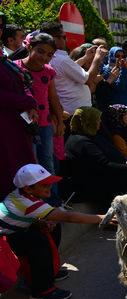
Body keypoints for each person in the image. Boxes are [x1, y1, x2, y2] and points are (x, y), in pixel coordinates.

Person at [2, 164, 114, 299]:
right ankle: (41, 290)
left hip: (14, 231)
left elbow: (21, 218)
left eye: (49, 183)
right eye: (44, 185)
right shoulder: (28, 203)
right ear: (28, 188)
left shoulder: (22, 194)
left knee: (52, 227)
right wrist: (101, 218)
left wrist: (41, 222)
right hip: (5, 240)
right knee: (37, 241)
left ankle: (49, 273)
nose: (49, 187)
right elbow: (68, 217)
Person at [64, 106, 127, 205]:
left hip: (102, 176)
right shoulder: (80, 142)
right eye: (96, 119)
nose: (99, 122)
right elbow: (104, 165)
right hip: (93, 186)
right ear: (88, 122)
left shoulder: (91, 135)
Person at [14, 33, 64, 181]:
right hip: (24, 124)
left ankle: (52, 199)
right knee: (31, 161)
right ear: (29, 47)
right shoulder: (15, 68)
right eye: (40, 51)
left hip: (45, 123)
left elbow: (53, 98)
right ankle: (34, 200)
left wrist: (60, 121)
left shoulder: (48, 71)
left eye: (49, 55)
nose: (44, 57)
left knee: (47, 161)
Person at [0, 14, 39, 199]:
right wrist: (27, 102)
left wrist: (31, 103)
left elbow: (23, 82)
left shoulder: (3, 57)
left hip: (16, 126)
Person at [45, 21, 106, 114]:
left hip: (73, 111)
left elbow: (69, 68)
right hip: (76, 113)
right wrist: (98, 58)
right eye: (61, 37)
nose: (64, 40)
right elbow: (89, 79)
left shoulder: (57, 58)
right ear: (50, 38)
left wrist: (86, 58)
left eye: (65, 37)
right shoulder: (61, 59)